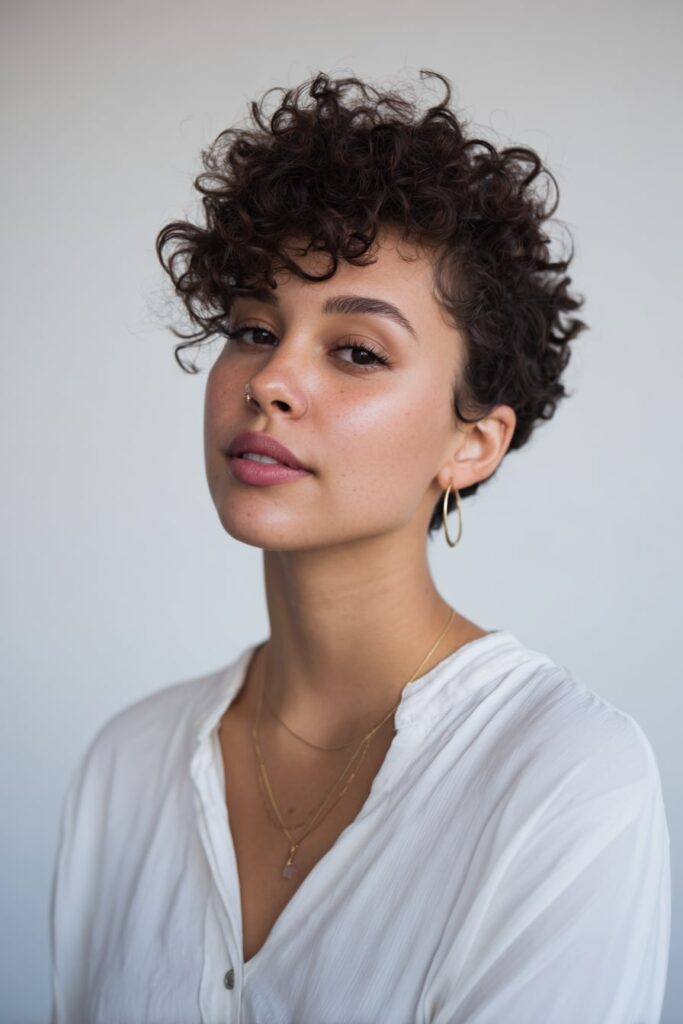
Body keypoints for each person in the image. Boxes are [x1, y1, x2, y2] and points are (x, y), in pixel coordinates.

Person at [49, 70, 671, 1023]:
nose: (270, 381)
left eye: (356, 352)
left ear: (474, 442)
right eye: (253, 329)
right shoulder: (128, 765)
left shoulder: (564, 775)